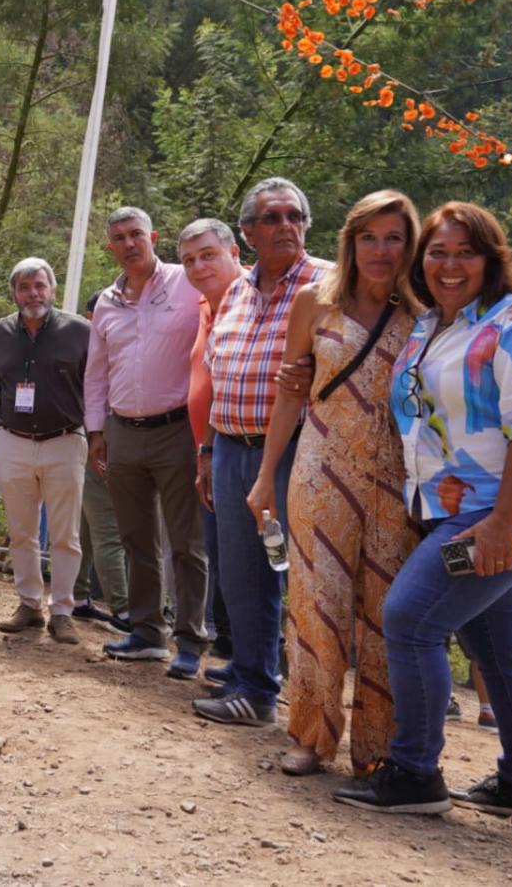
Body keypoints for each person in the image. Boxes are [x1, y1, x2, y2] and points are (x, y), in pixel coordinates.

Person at [334, 202, 512, 822]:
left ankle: (415, 772)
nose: (448, 264)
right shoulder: (431, 327)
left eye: (465, 252)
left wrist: (503, 525)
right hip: (457, 510)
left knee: (409, 619)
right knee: (497, 650)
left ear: (491, 259)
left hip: (511, 510)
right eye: (437, 252)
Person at [245, 190, 423, 776]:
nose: (379, 249)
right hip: (319, 471)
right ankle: (311, 734)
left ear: (409, 244)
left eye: (393, 237)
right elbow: (290, 390)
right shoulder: (314, 303)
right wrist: (266, 474)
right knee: (316, 606)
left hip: (397, 481)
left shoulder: (425, 313)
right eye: (368, 237)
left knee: (385, 612)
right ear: (350, 243)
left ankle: (377, 748)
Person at [193, 177, 332, 727]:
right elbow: (218, 375)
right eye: (271, 218)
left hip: (296, 451)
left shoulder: (329, 283)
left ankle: (309, 699)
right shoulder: (236, 290)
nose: (285, 227)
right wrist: (206, 451)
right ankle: (252, 683)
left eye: (294, 216)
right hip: (229, 448)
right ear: (247, 233)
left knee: (302, 575)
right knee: (243, 573)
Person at [86, 206, 208, 676]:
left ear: (154, 236)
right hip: (122, 433)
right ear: (110, 248)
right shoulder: (106, 303)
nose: (130, 243)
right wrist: (95, 430)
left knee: (186, 542)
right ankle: (147, 632)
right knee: (136, 538)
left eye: (137, 233)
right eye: (119, 237)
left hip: (179, 429)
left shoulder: (188, 281)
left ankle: (192, 641)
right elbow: (96, 373)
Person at [0, 258, 90, 644]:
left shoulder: (80, 331)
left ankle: (62, 610)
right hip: (14, 441)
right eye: (25, 287)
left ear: (53, 289)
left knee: (65, 535)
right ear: (14, 293)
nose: (33, 294)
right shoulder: (1, 332)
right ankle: (29, 604)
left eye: (40, 285)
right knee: (21, 532)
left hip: (65, 440)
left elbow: (97, 387)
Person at [177, 219, 245, 673]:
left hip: (253, 450)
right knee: (227, 560)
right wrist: (203, 453)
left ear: (235, 253)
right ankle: (239, 658)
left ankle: (257, 665)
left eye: (207, 255)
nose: (198, 266)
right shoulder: (205, 304)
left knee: (255, 564)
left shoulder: (258, 299)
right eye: (189, 260)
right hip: (211, 453)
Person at [72, 293, 130, 631]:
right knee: (107, 530)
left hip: (91, 443)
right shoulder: (93, 351)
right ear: (90, 316)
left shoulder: (101, 350)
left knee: (86, 527)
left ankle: (78, 596)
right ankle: (124, 611)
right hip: (97, 445)